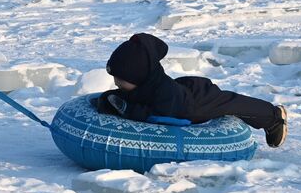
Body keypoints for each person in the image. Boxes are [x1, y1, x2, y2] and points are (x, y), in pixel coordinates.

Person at [94, 32, 288, 147]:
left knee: (233, 104)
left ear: (139, 76)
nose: (116, 83)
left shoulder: (164, 96)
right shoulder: (143, 83)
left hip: (196, 104)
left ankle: (273, 117)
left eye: (120, 79)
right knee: (229, 102)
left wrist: (127, 110)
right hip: (183, 88)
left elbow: (162, 118)